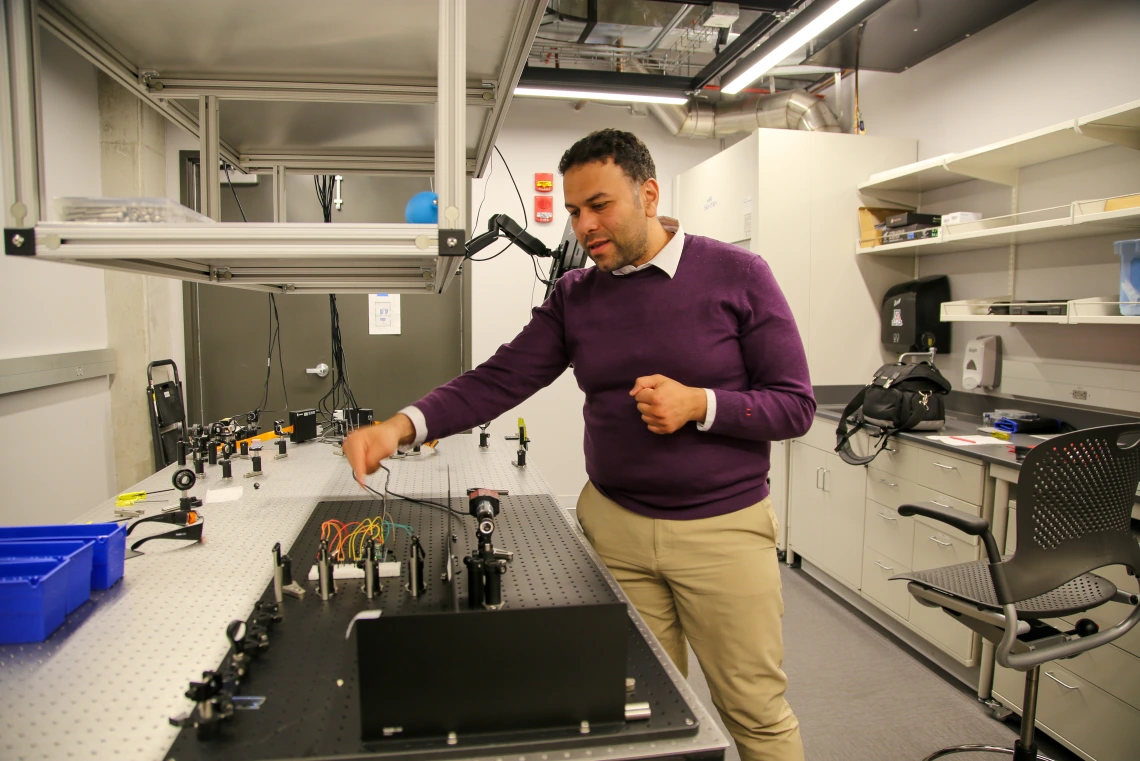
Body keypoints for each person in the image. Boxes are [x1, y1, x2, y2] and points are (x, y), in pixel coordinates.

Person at [344, 128, 815, 761]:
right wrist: (400, 426)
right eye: (573, 211)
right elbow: (500, 379)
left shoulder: (738, 273)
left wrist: (701, 404)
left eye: (599, 205)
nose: (584, 226)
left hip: (721, 535)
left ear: (648, 194)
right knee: (638, 711)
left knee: (754, 713)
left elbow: (795, 405)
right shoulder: (576, 295)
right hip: (614, 529)